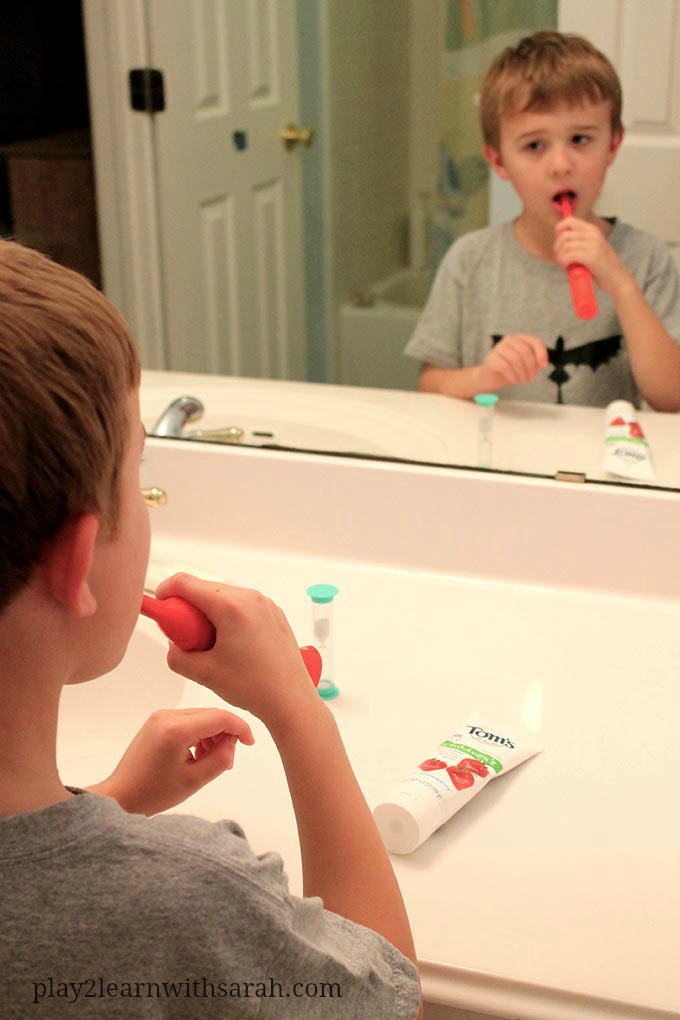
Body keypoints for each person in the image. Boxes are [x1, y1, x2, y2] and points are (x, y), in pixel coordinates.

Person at [0, 239, 422, 1019]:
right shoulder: (182, 902)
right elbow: (385, 993)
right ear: (77, 562)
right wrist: (300, 713)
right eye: (141, 478)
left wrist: (110, 798)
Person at [404, 30, 680, 410]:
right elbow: (430, 387)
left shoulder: (644, 259)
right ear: (499, 161)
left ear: (613, 146)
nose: (561, 166)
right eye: (534, 145)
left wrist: (621, 284)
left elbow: (672, 398)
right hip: (497, 463)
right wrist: (483, 376)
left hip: (602, 464)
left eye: (581, 139)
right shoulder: (470, 261)